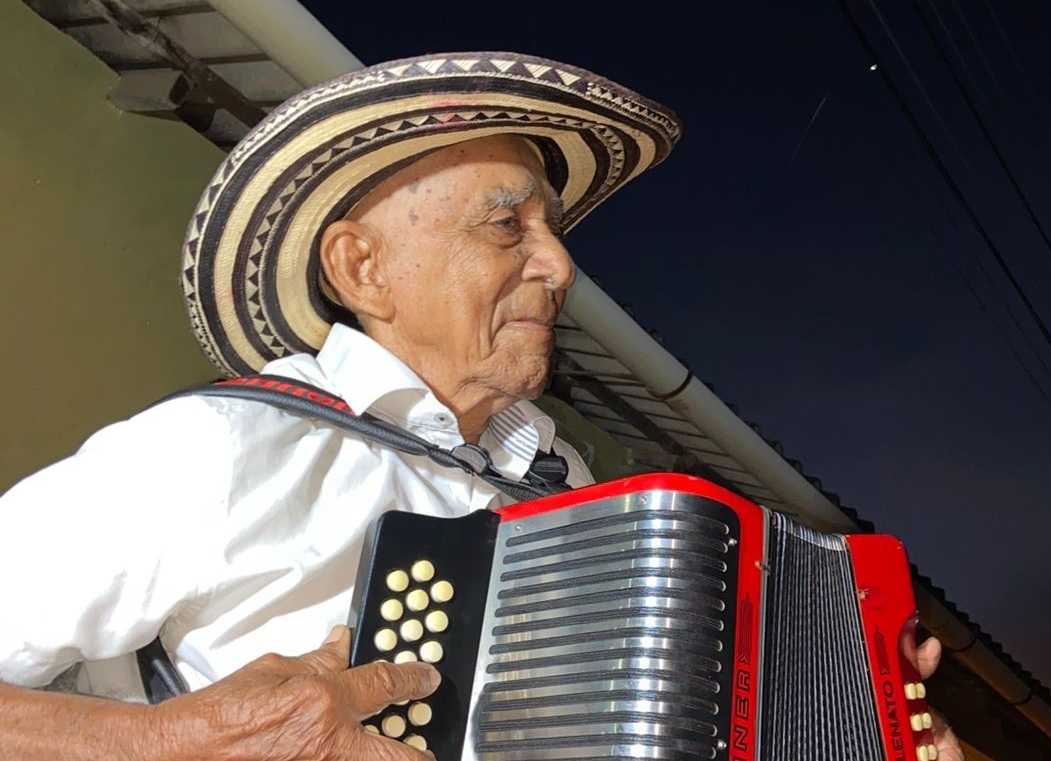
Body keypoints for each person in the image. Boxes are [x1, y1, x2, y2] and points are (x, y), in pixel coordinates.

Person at [0, 51, 963, 760]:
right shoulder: (217, 452)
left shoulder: (570, 488)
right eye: (508, 223)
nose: (559, 263)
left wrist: (861, 710)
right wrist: (164, 741)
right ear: (362, 266)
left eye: (549, 227)